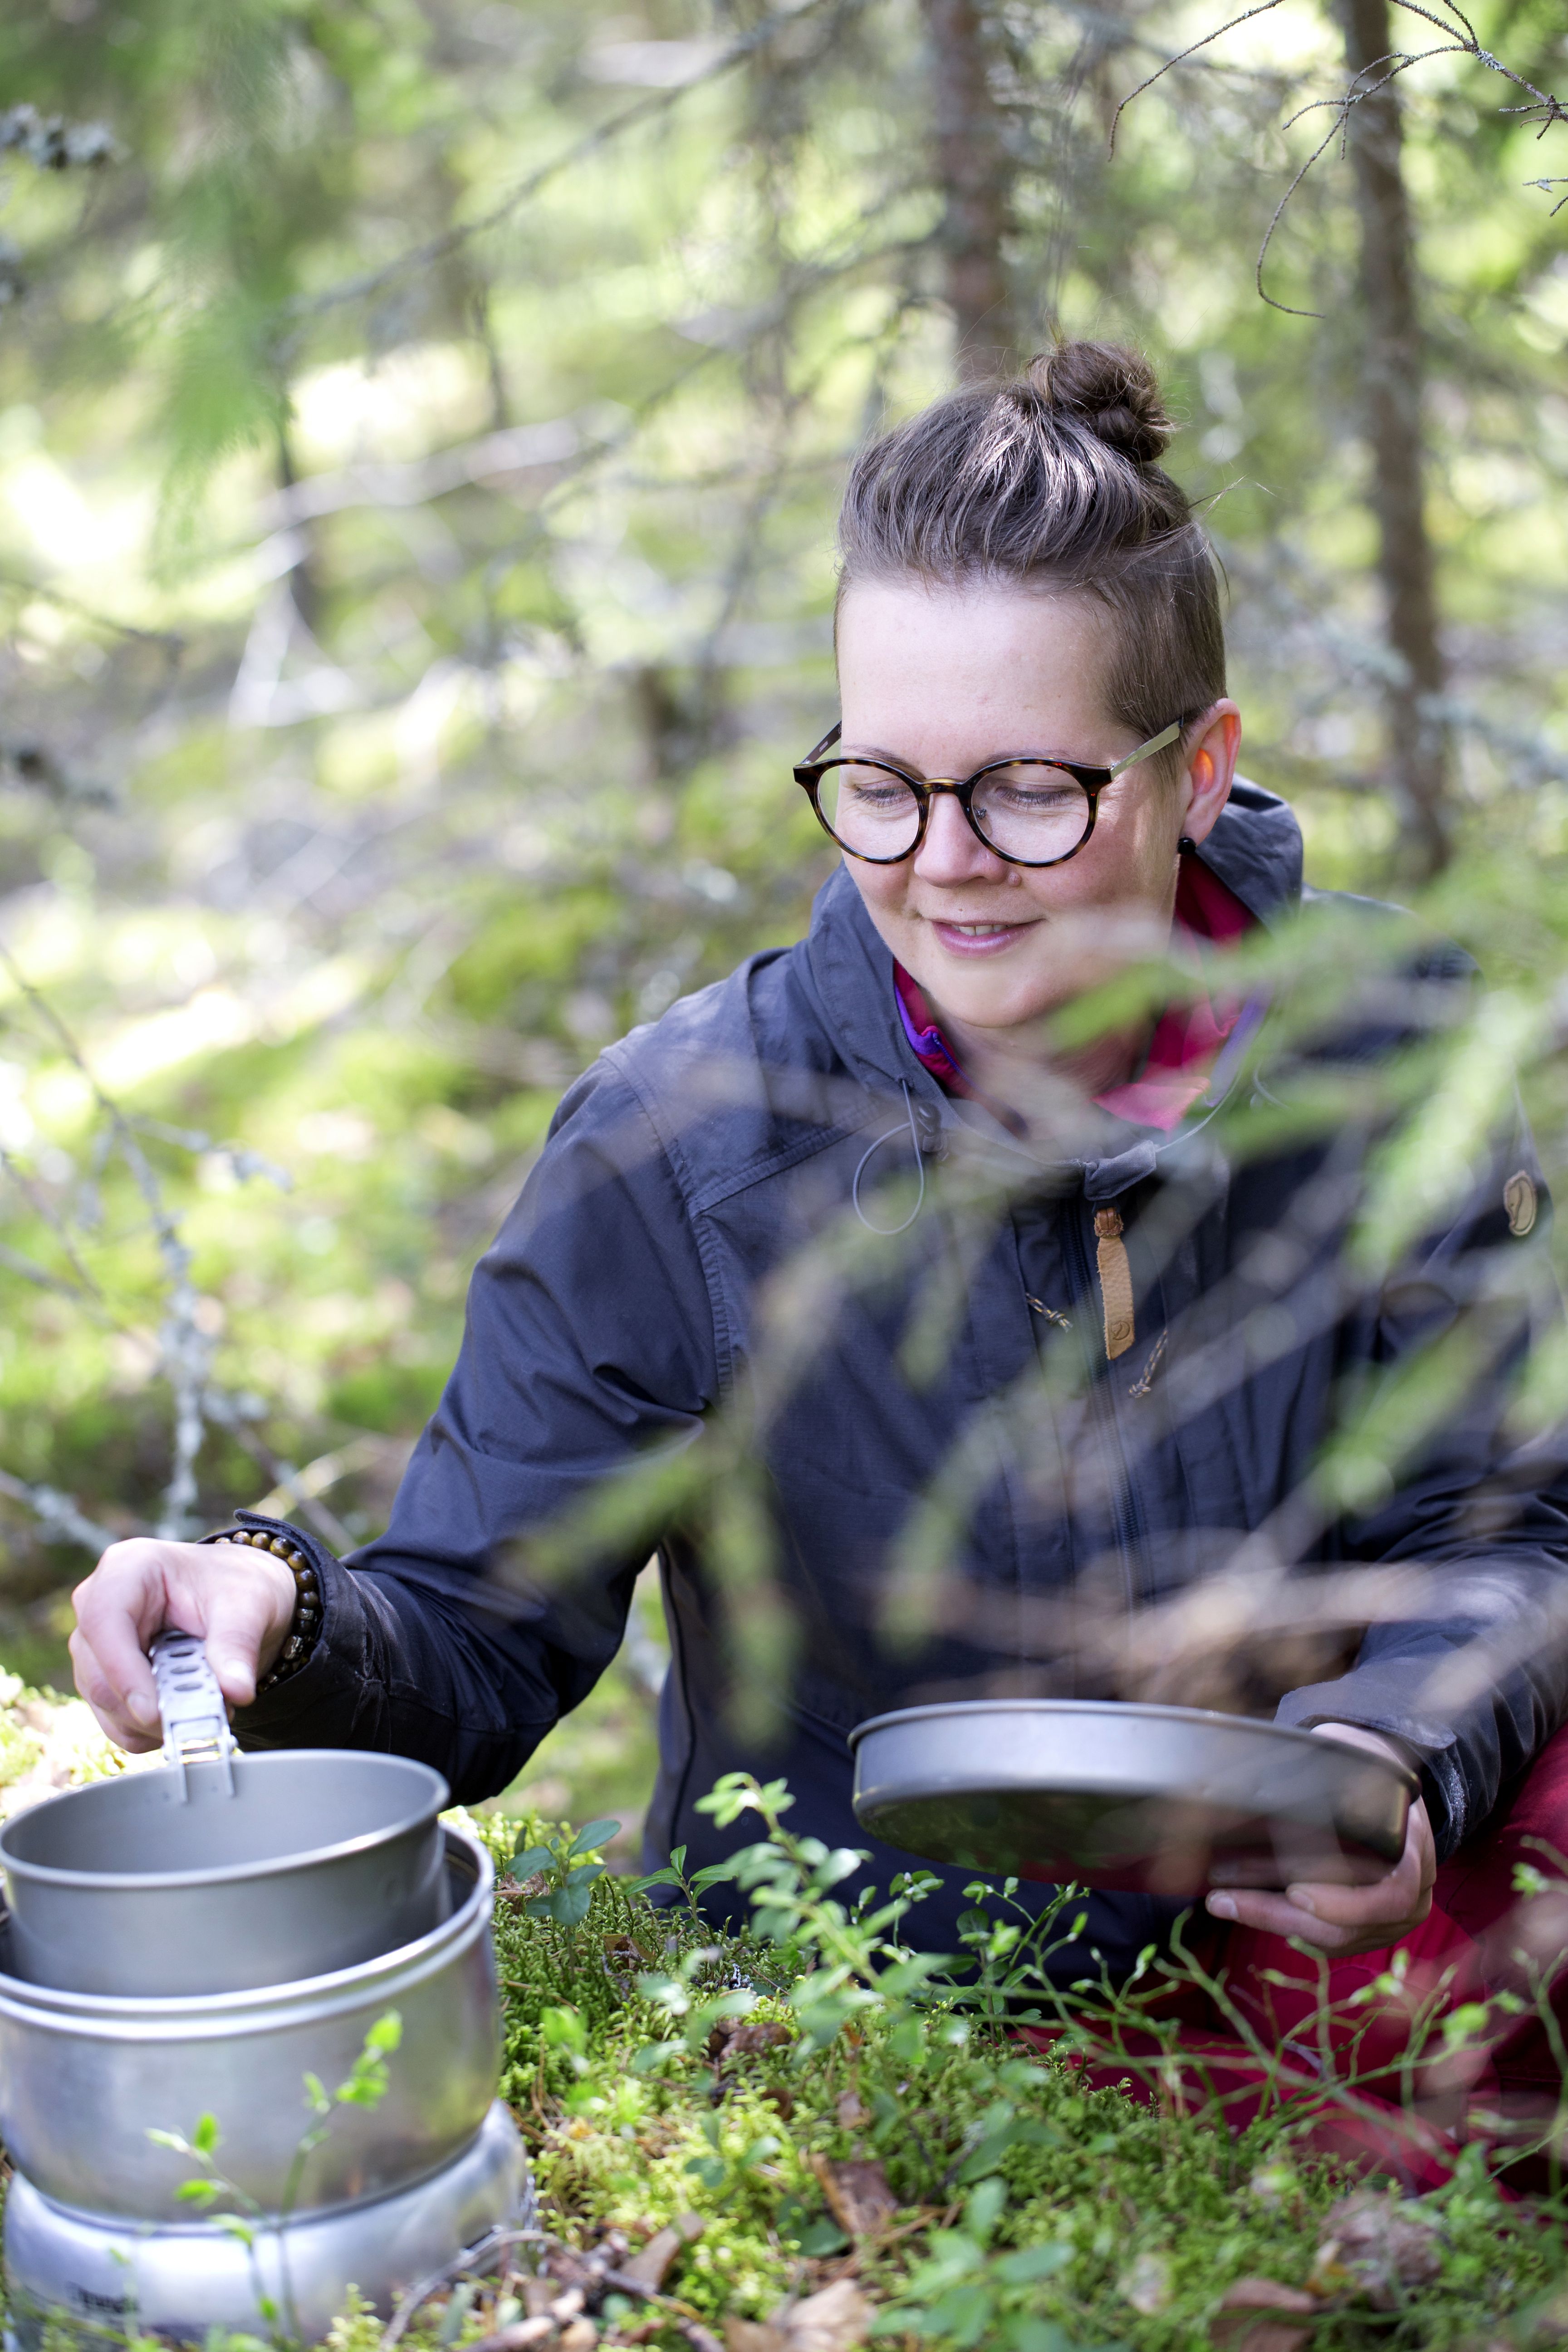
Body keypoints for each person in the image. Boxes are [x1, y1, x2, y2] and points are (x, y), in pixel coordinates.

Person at [69, 342, 1568, 2030]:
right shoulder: (684, 1142)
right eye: (881, 783)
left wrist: (1394, 1757)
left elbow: (1507, 1518)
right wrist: (280, 1602)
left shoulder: (1387, 1036)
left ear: (1196, 769)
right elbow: (477, 1643)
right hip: (877, 2007)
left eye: (1027, 788)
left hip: (1300, 1938)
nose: (941, 861)